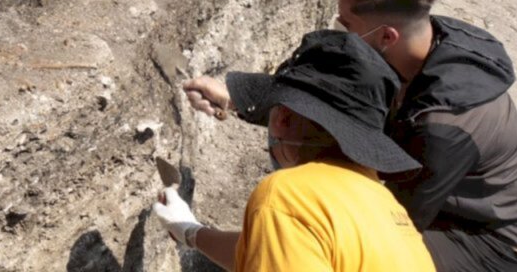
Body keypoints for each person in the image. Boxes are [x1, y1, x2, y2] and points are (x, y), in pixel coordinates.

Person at [186, 0, 517, 272]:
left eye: (347, 26)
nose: (340, 33)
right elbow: (337, 100)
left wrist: (198, 234)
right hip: (449, 193)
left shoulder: (443, 126)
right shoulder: (425, 44)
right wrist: (236, 97)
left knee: (347, 242)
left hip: (490, 234)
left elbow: (383, 222)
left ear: (386, 36)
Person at [154, 30, 436, 272]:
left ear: (282, 119)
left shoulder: (287, 196)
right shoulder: (384, 205)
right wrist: (191, 232)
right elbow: (268, 252)